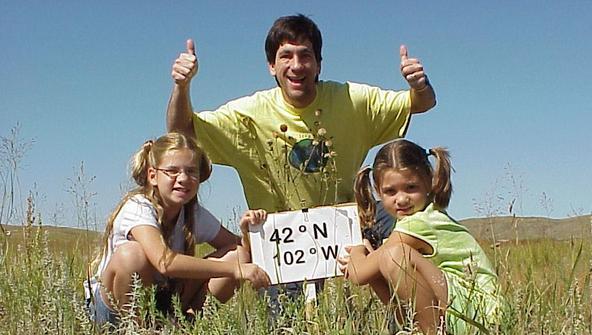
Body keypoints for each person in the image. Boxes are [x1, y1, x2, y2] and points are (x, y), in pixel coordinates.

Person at [167, 14, 436, 216]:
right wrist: (182, 86)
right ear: (272, 66)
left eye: (305, 56)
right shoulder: (247, 114)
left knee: (416, 222)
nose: (296, 66)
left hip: (347, 226)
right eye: (286, 56)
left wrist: (419, 84)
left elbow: (422, 103)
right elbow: (181, 131)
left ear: (318, 64)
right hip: (279, 240)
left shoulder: (352, 100)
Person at [85, 132, 271, 325]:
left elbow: (244, 254)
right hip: (111, 309)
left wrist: (246, 233)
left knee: (238, 255)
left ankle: (187, 326)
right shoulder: (138, 207)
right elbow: (164, 262)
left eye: (191, 171)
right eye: (172, 171)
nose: (183, 178)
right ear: (153, 176)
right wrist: (234, 270)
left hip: (163, 298)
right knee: (132, 254)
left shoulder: (193, 212)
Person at [339, 140, 502, 335]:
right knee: (382, 263)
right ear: (377, 190)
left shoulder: (419, 223)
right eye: (391, 191)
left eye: (411, 187)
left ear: (429, 181)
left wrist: (358, 250)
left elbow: (358, 274)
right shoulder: (423, 217)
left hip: (481, 313)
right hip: (468, 310)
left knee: (392, 257)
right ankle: (416, 334)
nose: (401, 199)